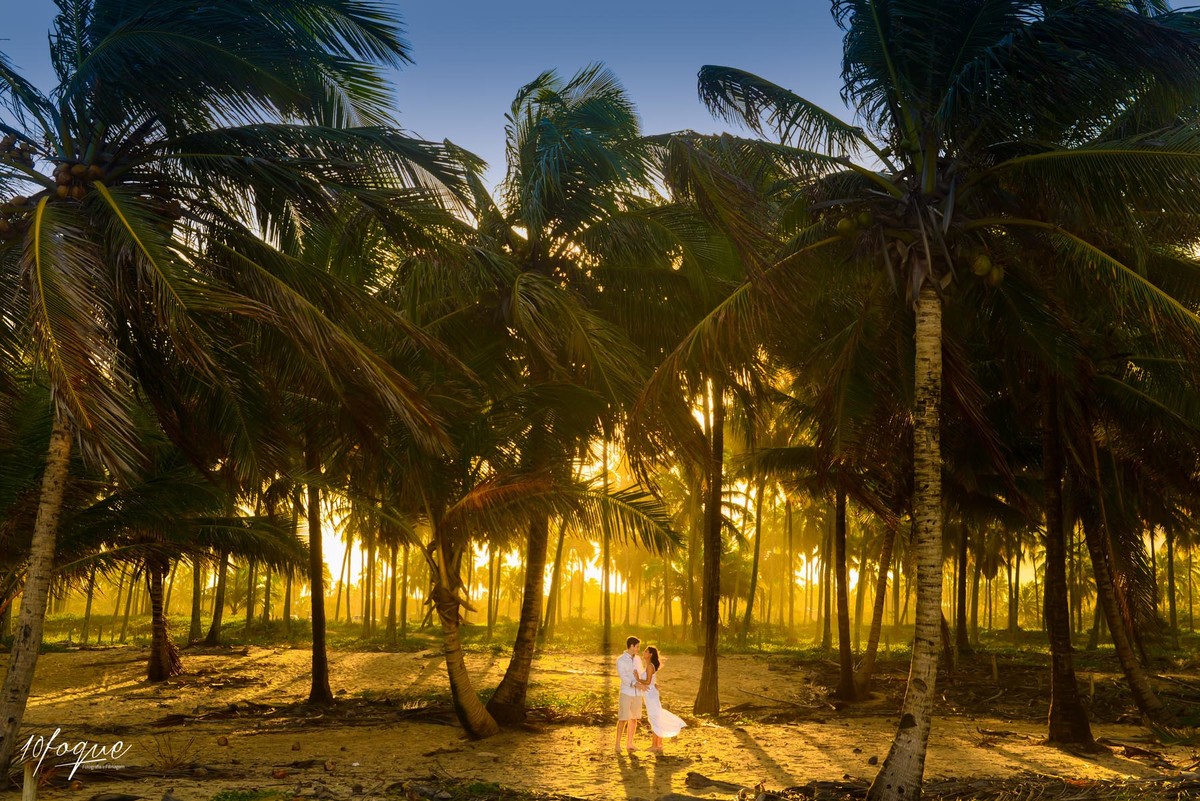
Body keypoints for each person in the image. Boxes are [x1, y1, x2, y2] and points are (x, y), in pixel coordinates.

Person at [641, 646, 686, 753]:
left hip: (650, 695)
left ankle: (655, 745)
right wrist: (654, 684)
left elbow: (647, 682)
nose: (643, 652)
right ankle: (658, 744)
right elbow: (651, 681)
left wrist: (637, 678)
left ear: (650, 654)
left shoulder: (650, 666)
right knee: (656, 717)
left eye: (646, 651)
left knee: (654, 718)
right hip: (650, 694)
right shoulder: (650, 666)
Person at [615, 635, 645, 753]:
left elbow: (641, 673)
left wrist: (645, 682)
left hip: (637, 694)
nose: (638, 649)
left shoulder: (638, 659)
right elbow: (623, 677)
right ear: (631, 646)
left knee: (634, 719)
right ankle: (617, 745)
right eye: (637, 646)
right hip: (626, 692)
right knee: (623, 718)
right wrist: (635, 684)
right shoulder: (621, 659)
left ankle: (630, 744)